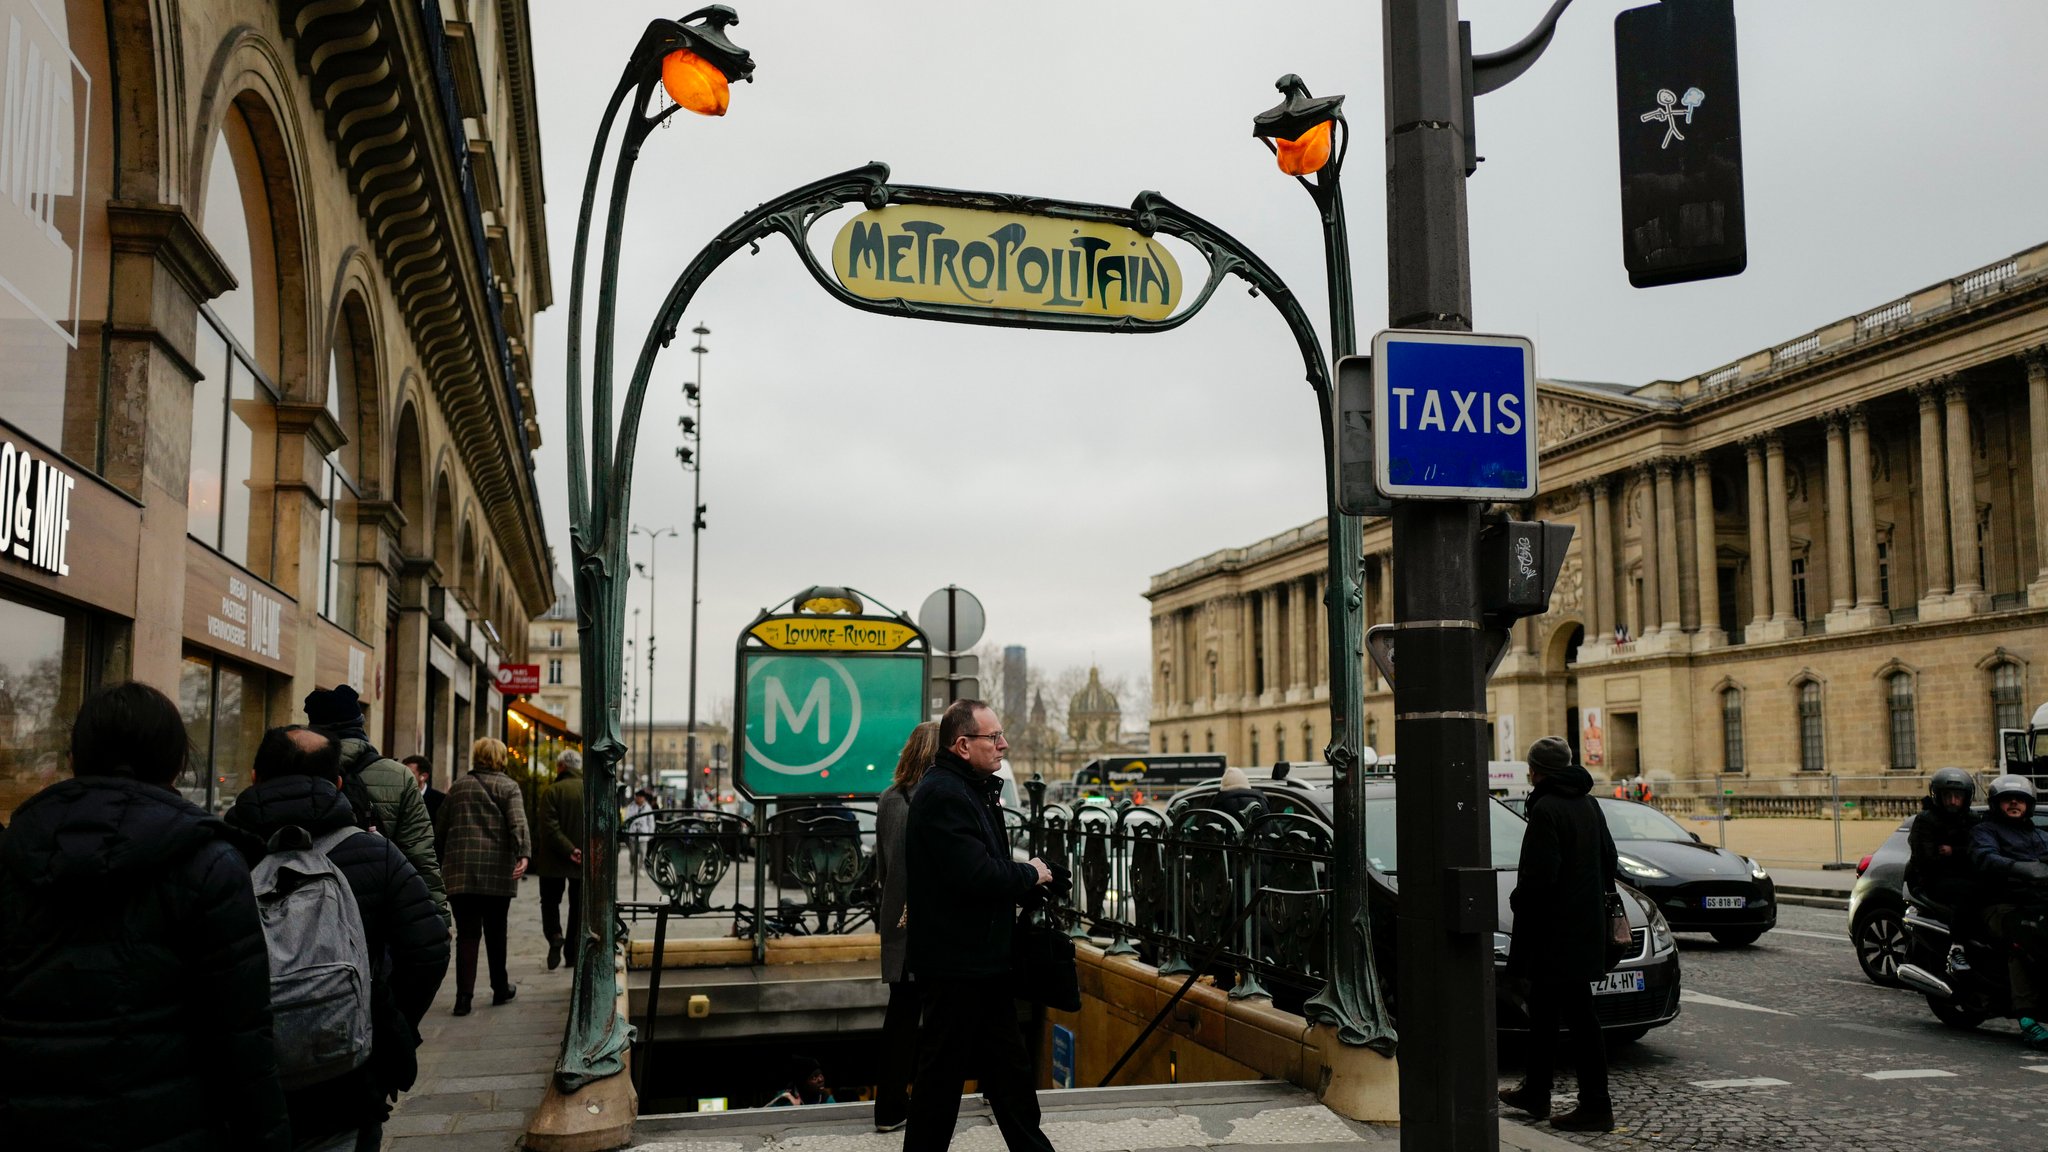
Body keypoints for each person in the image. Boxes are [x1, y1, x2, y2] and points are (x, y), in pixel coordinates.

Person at [0, 682, 290, 1151]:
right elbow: (240, 1032)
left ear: (75, 758)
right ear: (177, 764)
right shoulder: (208, 861)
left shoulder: (15, 851)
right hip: (168, 1123)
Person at [226, 726, 449, 1150]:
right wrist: (384, 1022)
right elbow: (430, 949)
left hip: (248, 1088)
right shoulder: (375, 853)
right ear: (339, 784)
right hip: (350, 1080)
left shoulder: (220, 856)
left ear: (255, 777)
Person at [904, 699, 1056, 1152]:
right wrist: (1029, 873)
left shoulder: (969, 789)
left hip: (978, 962)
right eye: (994, 737)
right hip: (957, 965)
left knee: (1007, 1074)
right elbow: (975, 875)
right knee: (943, 1081)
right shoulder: (946, 795)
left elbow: (982, 869)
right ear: (963, 744)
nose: (1003, 744)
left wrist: (1032, 880)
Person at [1499, 735, 1619, 1133]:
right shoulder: (1589, 803)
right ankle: (1536, 1090)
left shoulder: (1546, 808)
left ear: (1536, 770)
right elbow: (1610, 858)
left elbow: (1539, 877)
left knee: (1581, 1017)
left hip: (1555, 931)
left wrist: (1518, 901)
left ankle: (1596, 1105)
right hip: (1583, 926)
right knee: (1547, 1012)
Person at [305, 685, 449, 926]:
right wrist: (438, 918)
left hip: (313, 912)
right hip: (382, 913)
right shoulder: (399, 776)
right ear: (360, 725)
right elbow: (420, 855)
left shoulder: (299, 770)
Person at [874, 720, 940, 1133]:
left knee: (900, 1016)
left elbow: (882, 866)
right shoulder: (936, 801)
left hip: (896, 920)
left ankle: (890, 1105)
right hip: (930, 925)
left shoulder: (888, 798)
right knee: (938, 1020)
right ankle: (922, 1103)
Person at [436, 737, 532, 1015]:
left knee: (467, 934)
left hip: (460, 873)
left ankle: (463, 997)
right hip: (496, 872)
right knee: (495, 930)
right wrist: (523, 853)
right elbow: (518, 822)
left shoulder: (458, 787)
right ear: (501, 758)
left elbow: (440, 829)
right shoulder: (508, 786)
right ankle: (499, 987)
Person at [1967, 774, 2048, 1047]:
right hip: (2000, 904)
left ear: (2029, 805)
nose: (2014, 803)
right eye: (2007, 800)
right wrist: (2017, 867)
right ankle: (2027, 1020)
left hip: (2036, 901)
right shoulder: (1986, 831)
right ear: (1996, 804)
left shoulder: (2038, 833)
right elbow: (1984, 857)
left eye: (2020, 800)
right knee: (2025, 938)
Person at [534, 749, 586, 972]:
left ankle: (555, 934)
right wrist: (577, 850)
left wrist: (567, 849)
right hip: (581, 858)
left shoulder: (552, 791)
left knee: (550, 901)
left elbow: (548, 828)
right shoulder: (589, 791)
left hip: (553, 858)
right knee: (578, 905)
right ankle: (572, 953)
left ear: (561, 766)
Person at [1905, 767, 1980, 916]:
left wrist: (1953, 851)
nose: (1953, 801)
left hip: (1963, 875)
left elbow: (1978, 849)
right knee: (1969, 894)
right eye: (1948, 796)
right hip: (1931, 881)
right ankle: (1960, 937)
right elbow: (1927, 860)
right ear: (1938, 795)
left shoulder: (1972, 818)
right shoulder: (1925, 820)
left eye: (1958, 796)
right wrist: (1962, 856)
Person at [766, 1055, 836, 1107]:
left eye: (821, 1075)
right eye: (813, 1077)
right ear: (802, 1083)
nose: (821, 1080)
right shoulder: (784, 1099)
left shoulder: (826, 1099)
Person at [403, 754, 445, 827]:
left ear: (423, 776)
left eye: (409, 773)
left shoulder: (439, 800)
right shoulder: (397, 797)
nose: (403, 777)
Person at [622, 787, 655, 875]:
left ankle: (640, 868)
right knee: (632, 853)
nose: (639, 798)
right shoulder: (631, 807)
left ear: (644, 798)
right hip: (633, 834)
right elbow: (627, 819)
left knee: (643, 853)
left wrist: (651, 832)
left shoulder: (647, 808)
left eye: (641, 797)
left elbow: (650, 821)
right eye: (637, 797)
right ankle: (633, 865)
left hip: (644, 834)